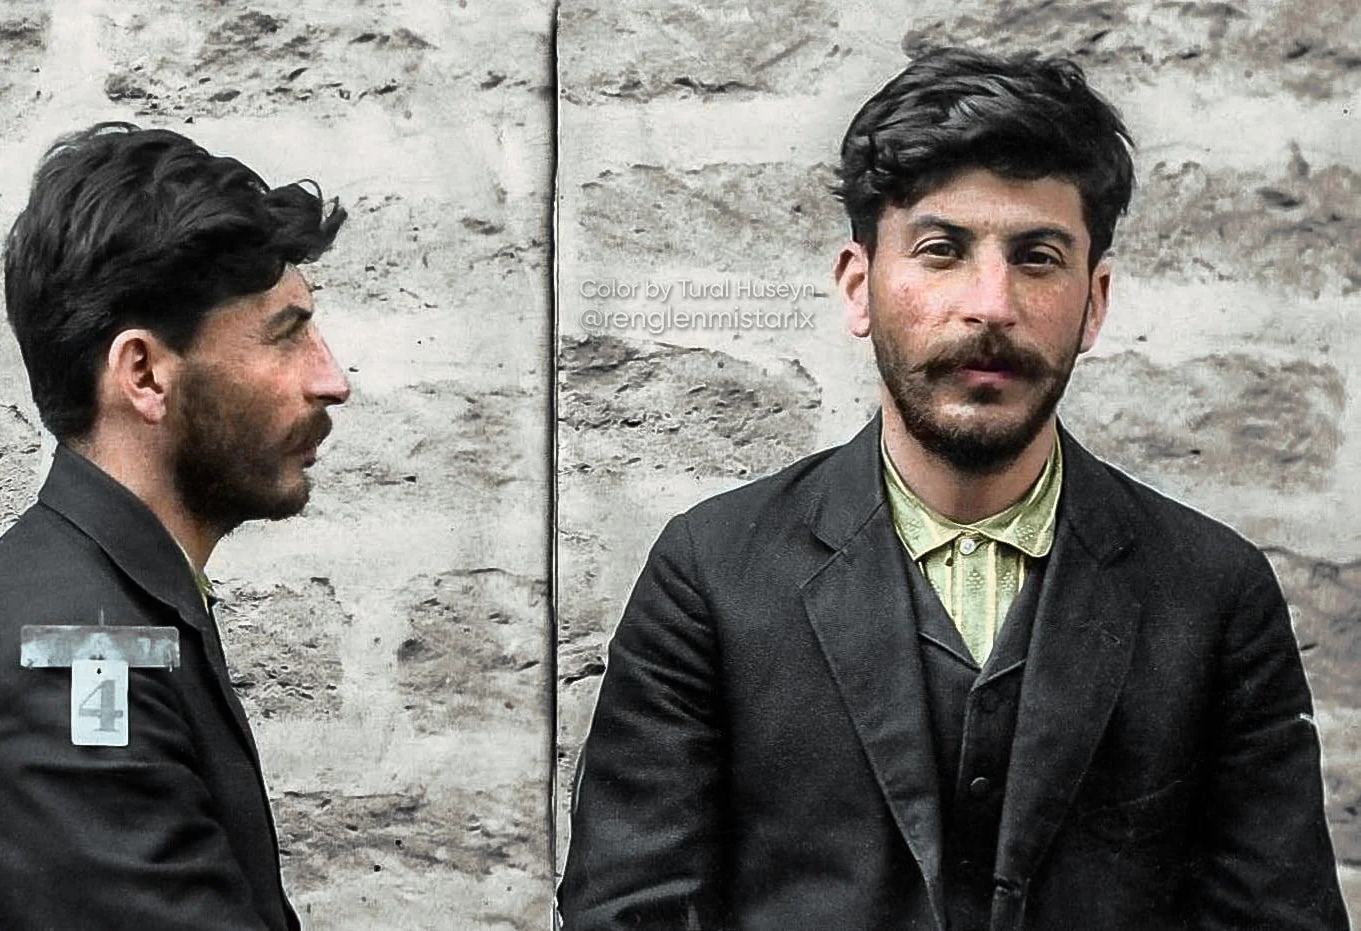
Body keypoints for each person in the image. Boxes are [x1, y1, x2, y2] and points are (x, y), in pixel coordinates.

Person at [558, 48, 1348, 931]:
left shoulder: (1212, 592)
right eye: (941, 251)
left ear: (1093, 302)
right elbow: (624, 912)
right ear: (858, 286)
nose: (990, 304)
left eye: (1036, 257)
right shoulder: (711, 573)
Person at [0, 123, 351, 929]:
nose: (332, 378)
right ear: (142, 373)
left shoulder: (109, 597)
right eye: (286, 334)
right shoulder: (69, 654)